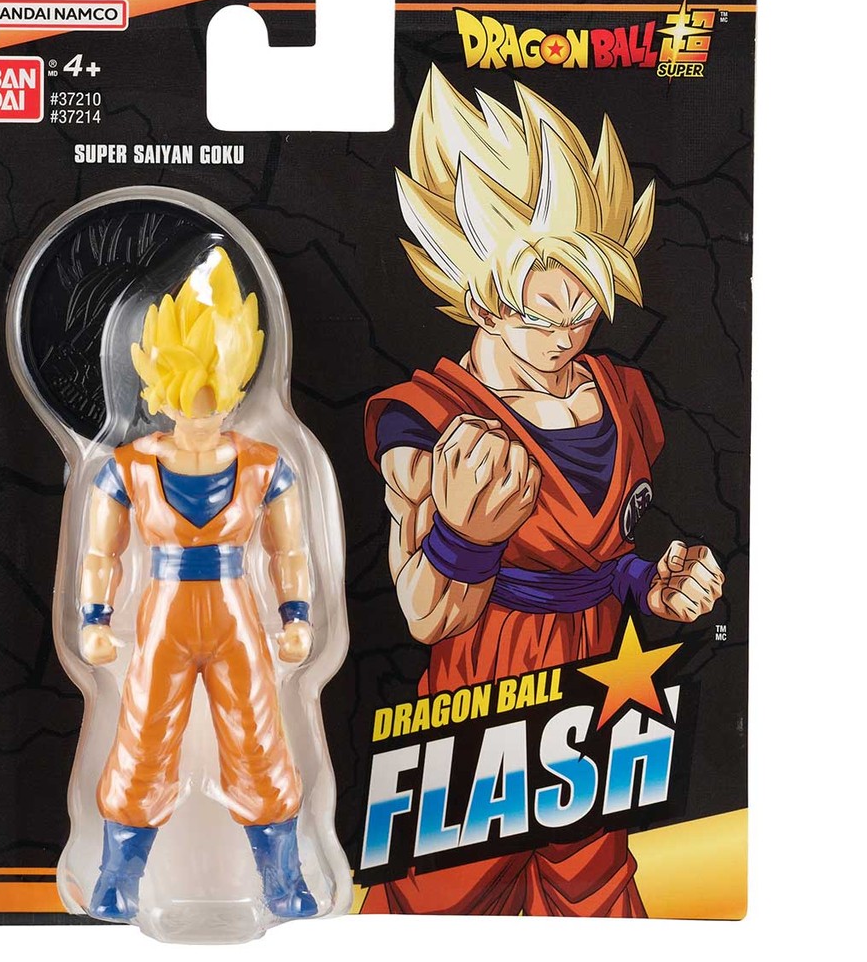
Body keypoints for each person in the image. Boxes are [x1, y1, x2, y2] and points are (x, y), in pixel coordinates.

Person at [362, 66, 724, 916]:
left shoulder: (622, 394)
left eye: (583, 310)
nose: (565, 336)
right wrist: (465, 538)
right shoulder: (429, 422)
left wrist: (651, 584)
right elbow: (426, 615)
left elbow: (601, 554)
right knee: (437, 904)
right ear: (481, 300)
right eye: (539, 313)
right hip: (477, 702)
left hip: (602, 687)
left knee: (596, 898)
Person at [78, 247, 316, 922]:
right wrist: (94, 620)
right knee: (144, 738)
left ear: (238, 379)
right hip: (164, 616)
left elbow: (289, 550)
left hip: (238, 614)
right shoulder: (126, 467)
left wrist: (296, 615)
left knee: (259, 740)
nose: (203, 405)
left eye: (216, 385)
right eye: (190, 388)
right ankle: (118, 878)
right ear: (161, 383)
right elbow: (101, 552)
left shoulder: (265, 463)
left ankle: (282, 879)